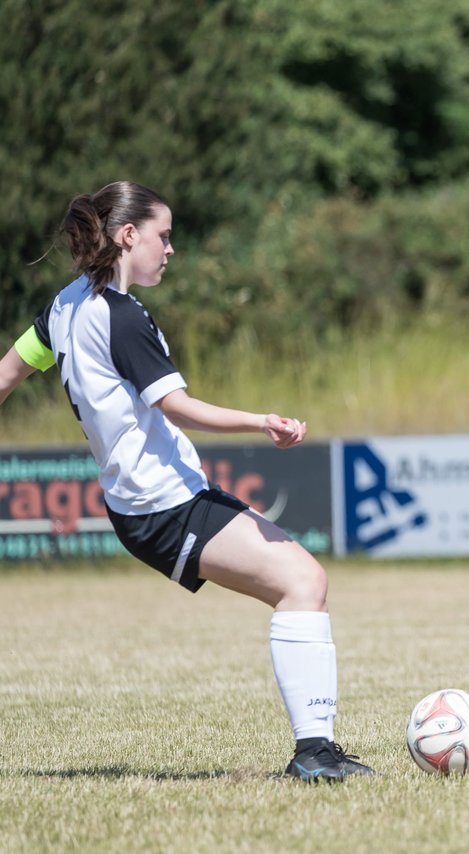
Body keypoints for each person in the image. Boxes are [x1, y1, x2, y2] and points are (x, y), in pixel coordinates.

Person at [0, 182, 373, 782]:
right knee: (304, 581)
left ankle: (317, 751)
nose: (170, 250)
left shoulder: (63, 307)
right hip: (162, 504)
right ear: (129, 236)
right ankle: (316, 754)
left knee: (304, 581)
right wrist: (262, 421)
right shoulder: (120, 316)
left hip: (150, 502)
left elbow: (7, 375)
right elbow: (180, 407)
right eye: (163, 236)